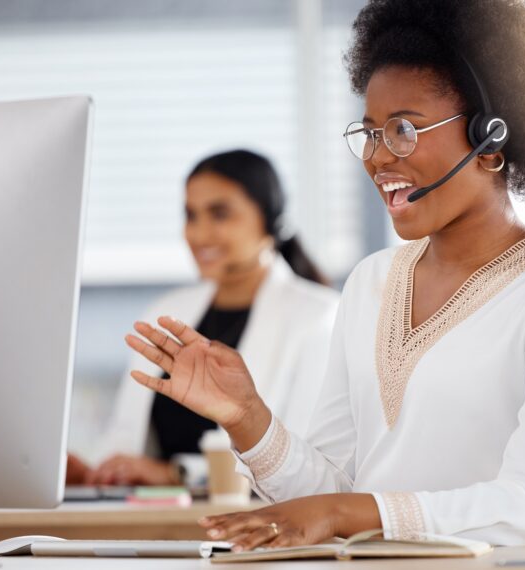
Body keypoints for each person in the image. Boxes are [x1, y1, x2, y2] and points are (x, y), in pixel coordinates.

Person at [125, 0, 525, 549]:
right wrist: (247, 417)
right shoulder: (370, 282)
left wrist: (344, 511)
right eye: (370, 133)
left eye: (404, 129)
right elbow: (333, 491)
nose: (378, 158)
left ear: (490, 137)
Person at [67, 150, 340, 486]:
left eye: (220, 214)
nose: (198, 234)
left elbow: (302, 459)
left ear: (270, 219)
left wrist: (175, 473)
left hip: (255, 520)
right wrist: (93, 472)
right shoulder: (167, 311)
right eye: (191, 215)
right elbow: (127, 438)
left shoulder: (319, 316)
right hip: (150, 516)